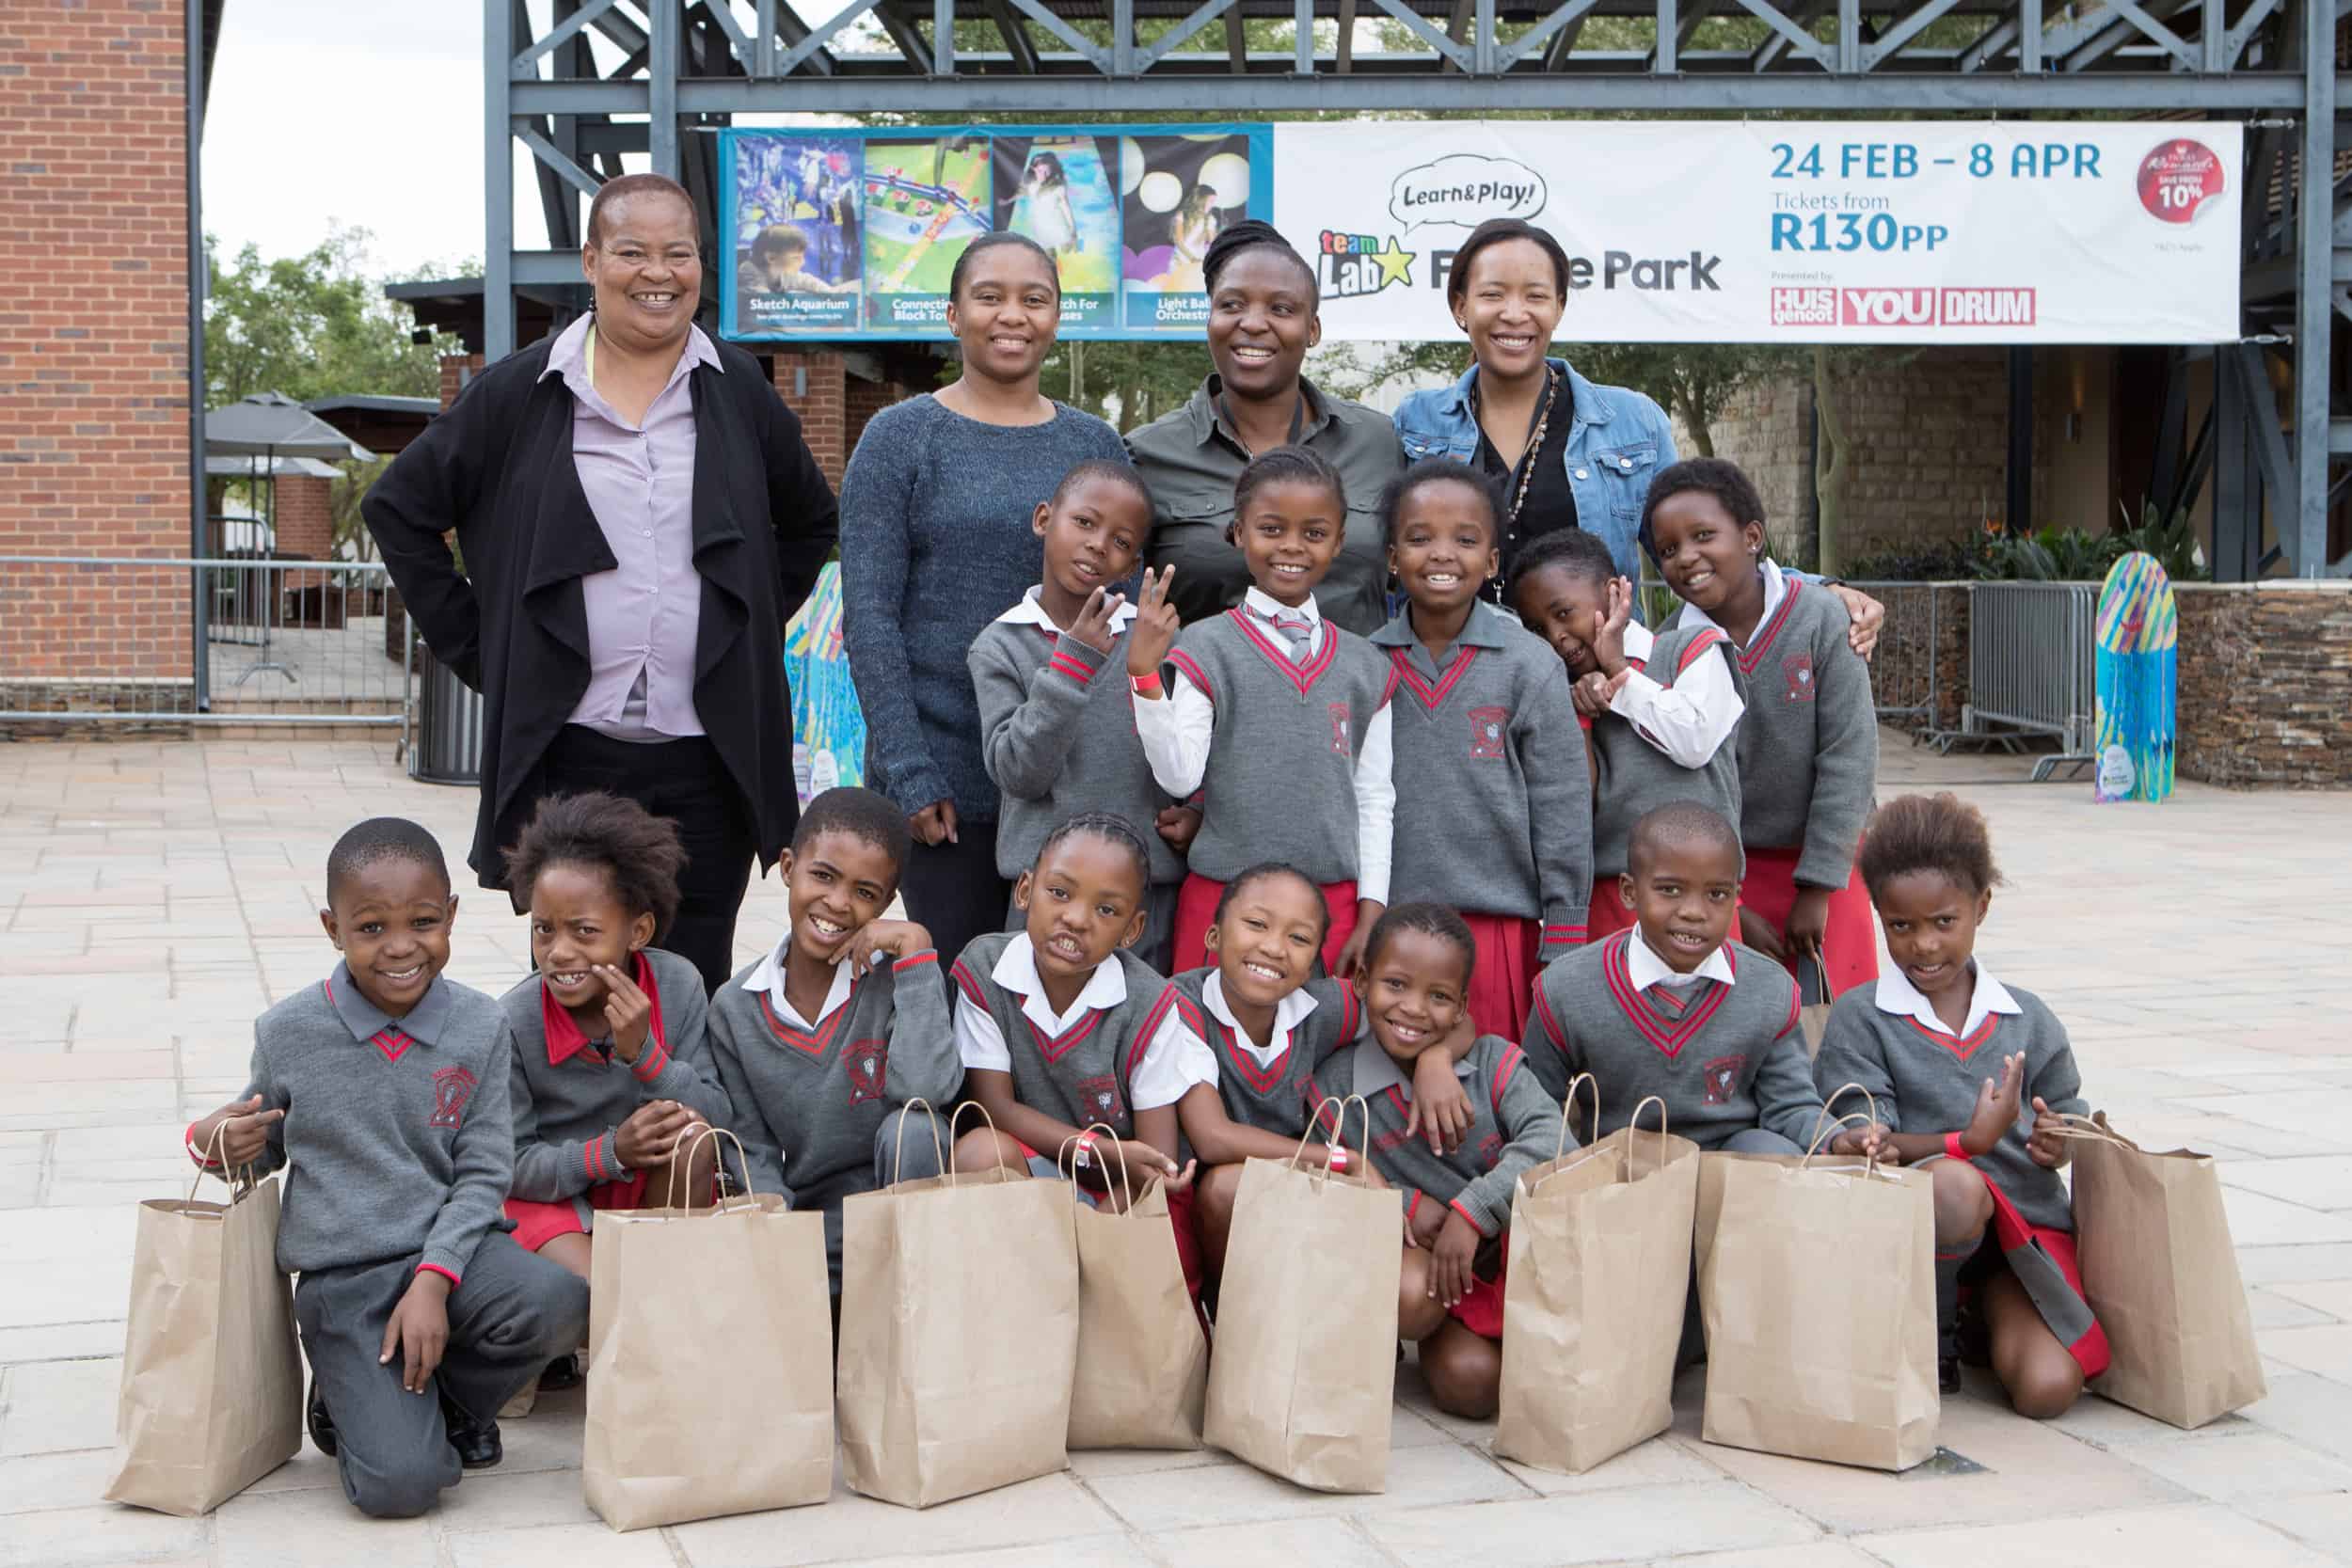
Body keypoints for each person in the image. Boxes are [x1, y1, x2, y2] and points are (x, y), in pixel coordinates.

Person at [364, 172, 838, 997]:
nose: (658, 273)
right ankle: (575, 1132)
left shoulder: (737, 388)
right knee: (573, 977)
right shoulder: (523, 390)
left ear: (701, 266)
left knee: (689, 986)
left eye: (678, 254)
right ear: (591, 260)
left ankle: (681, 1128)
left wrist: (745, 628)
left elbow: (809, 523)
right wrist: (489, 651)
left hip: (708, 754)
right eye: (632, 252)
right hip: (571, 754)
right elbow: (398, 507)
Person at [184, 819, 587, 1518]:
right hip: (347, 1281)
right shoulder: (287, 1032)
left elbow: (485, 1171)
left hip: (454, 1259)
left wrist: (434, 1278)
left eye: (423, 922)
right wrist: (212, 1137)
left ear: (452, 915)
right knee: (402, 1486)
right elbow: (265, 1147)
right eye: (371, 927)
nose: (401, 947)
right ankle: (351, 1401)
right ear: (332, 927)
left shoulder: (479, 1024)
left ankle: (449, 1403)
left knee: (562, 1300)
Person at [1391, 216, 1886, 654]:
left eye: (1536, 296)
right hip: (1453, 684)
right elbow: (1382, 562)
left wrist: (1821, 589)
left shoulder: (1631, 423)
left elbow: (1697, 546)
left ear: (1559, 307)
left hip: (1598, 687)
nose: (1515, 313)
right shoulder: (1417, 423)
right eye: (1493, 294)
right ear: (1461, 307)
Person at [840, 230, 1130, 974]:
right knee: (957, 984)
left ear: (1058, 318)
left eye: (1034, 299)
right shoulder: (900, 438)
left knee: (1066, 996)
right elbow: (870, 616)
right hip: (946, 786)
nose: (1013, 315)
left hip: (1072, 778)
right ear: (953, 314)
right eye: (990, 296)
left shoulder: (1093, 443)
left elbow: (1117, 612)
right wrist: (908, 771)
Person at [1814, 793, 2103, 1413]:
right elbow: (1874, 1144)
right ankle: (1931, 1335)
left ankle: (1978, 1317)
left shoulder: (2027, 1018)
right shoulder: (1862, 1018)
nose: (1923, 945)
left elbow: (2073, 1112)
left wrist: (2061, 1139)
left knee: (2048, 1390)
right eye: (1901, 925)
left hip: (2016, 1243)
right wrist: (1962, 1144)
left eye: (1944, 921)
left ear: (1981, 908)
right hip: (1912, 1236)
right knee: (1956, 1186)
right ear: (1877, 915)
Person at [1128, 446, 1394, 977]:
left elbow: (1374, 798)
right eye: (1272, 529)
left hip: (1334, 910)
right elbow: (1181, 775)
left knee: (1321, 1048)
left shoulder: (1368, 666)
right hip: (1224, 903)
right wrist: (1144, 676)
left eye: (1314, 534)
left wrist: (1371, 914)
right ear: (1238, 533)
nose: (1292, 547)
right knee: (1207, 1050)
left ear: (1339, 541)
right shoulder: (1206, 647)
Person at [1167, 863, 1477, 1301]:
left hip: (1302, 1186)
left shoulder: (1320, 1006)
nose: (1274, 948)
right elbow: (1213, 1137)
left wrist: (1436, 1060)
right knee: (1226, 1186)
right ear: (1214, 936)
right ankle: (1229, 1311)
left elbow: (1447, 1023)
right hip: (1215, 1204)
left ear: (1315, 958)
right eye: (1257, 925)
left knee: (1413, 1291)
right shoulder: (1182, 1006)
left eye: (1298, 938)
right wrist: (1341, 1160)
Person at [1306, 903, 1564, 1419]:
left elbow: (1556, 1143)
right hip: (1417, 1266)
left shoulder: (1493, 1063)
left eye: (1439, 996)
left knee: (1482, 1390)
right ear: (1360, 982)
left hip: (1506, 1261)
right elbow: (1316, 1173)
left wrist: (1473, 1212)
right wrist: (1405, 1203)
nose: (1414, 1009)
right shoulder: (1337, 1087)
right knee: (1431, 1331)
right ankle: (1374, 1344)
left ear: (1462, 1007)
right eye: (1396, 985)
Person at [706, 787, 960, 1295]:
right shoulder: (735, 1009)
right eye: (822, 876)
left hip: (902, 1227)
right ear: (786, 867)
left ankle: (899, 1310)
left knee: (913, 1128)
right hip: (805, 1225)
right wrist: (783, 1239)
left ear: (887, 904)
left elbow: (927, 1090)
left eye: (865, 893)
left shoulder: (900, 982)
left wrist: (916, 949)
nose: (838, 903)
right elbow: (752, 1150)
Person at [1370, 459, 1591, 1038]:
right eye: (1419, 539)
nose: (1442, 553)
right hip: (1391, 927)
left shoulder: (1530, 666)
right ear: (1392, 558)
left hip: (1499, 932)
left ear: (1492, 561)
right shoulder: (1361, 665)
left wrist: (1564, 926)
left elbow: (1562, 804)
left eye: (1465, 540)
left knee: (1490, 1103)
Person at [1524, 802, 1876, 1161]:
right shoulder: (1566, 988)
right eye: (1670, 890)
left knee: (1774, 1152)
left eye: (1717, 895)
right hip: (1618, 1170)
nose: (1694, 912)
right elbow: (1539, 1107)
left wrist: (1834, 1138)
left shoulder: (1770, 989)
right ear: (1629, 892)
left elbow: (1790, 1104)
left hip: (1730, 1168)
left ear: (1737, 896)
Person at [1645, 459, 1880, 994]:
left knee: (1836, 1022)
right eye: (1668, 550)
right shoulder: (1667, 650)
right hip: (1719, 882)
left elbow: (1850, 756)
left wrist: (1819, 887)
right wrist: (1730, 906)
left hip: (1827, 863)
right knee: (1740, 1032)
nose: (1687, 558)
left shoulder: (1822, 619)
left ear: (1752, 537)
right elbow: (1680, 785)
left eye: (1704, 536)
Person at [496, 793, 731, 1287]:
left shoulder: (677, 985)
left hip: (647, 1189)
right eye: (544, 930)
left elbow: (719, 1115)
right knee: (607, 1290)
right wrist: (609, 1154)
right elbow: (509, 1163)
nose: (558, 952)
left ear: (637, 931)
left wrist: (646, 1057)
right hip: (556, 1197)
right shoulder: (514, 1020)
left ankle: (662, 1305)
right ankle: (610, 1314)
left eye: (584, 932)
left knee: (691, 1136)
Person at [1127, 221, 1401, 634]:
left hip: (1358, 695)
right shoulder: (1146, 455)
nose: (1253, 323)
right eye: (1232, 305)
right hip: (1199, 696)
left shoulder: (1379, 443)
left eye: (1281, 309)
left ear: (1313, 330)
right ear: (1209, 318)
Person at [969, 460, 1189, 972]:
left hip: (1142, 896)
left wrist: (1195, 805)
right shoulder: (1001, 646)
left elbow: (1196, 747)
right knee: (1031, 1032)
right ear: (1045, 519)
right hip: (1043, 894)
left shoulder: (1157, 638)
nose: (1096, 544)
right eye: (1085, 523)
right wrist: (1070, 668)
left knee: (1137, 1034)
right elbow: (1019, 773)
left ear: (1133, 566)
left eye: (1120, 540)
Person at [947, 814, 1209, 1209]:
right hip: (1029, 1173)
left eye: (1106, 910)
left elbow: (1153, 1163)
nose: (1075, 919)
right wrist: (1097, 1149)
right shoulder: (986, 969)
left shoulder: (1150, 1005)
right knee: (979, 1152)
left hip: (1116, 1189)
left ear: (1132, 931)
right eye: (1058, 892)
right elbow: (995, 1110)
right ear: (1024, 890)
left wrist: (1094, 1229)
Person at [1507, 528, 1744, 943]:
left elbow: (1694, 742)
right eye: (1538, 629)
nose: (1556, 637)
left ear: (1615, 593)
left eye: (1563, 613)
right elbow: (1575, 807)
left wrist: (1620, 672)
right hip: (1611, 895)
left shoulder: (1693, 649)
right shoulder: (1558, 694)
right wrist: (1575, 717)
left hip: (1703, 891)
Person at [744, 225, 852, 295]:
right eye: (796, 258)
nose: (803, 262)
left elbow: (805, 280)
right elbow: (764, 304)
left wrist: (831, 294)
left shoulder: (779, 272)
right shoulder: (749, 276)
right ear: (771, 258)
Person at [1017, 151, 1080, 256]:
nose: (1044, 175)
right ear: (1034, 170)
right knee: (1049, 256)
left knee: (1066, 250)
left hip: (1057, 226)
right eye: (1040, 171)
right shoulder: (1031, 186)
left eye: (1047, 172)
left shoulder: (1058, 188)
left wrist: (1073, 229)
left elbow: (1066, 209)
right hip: (1041, 228)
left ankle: (1069, 246)